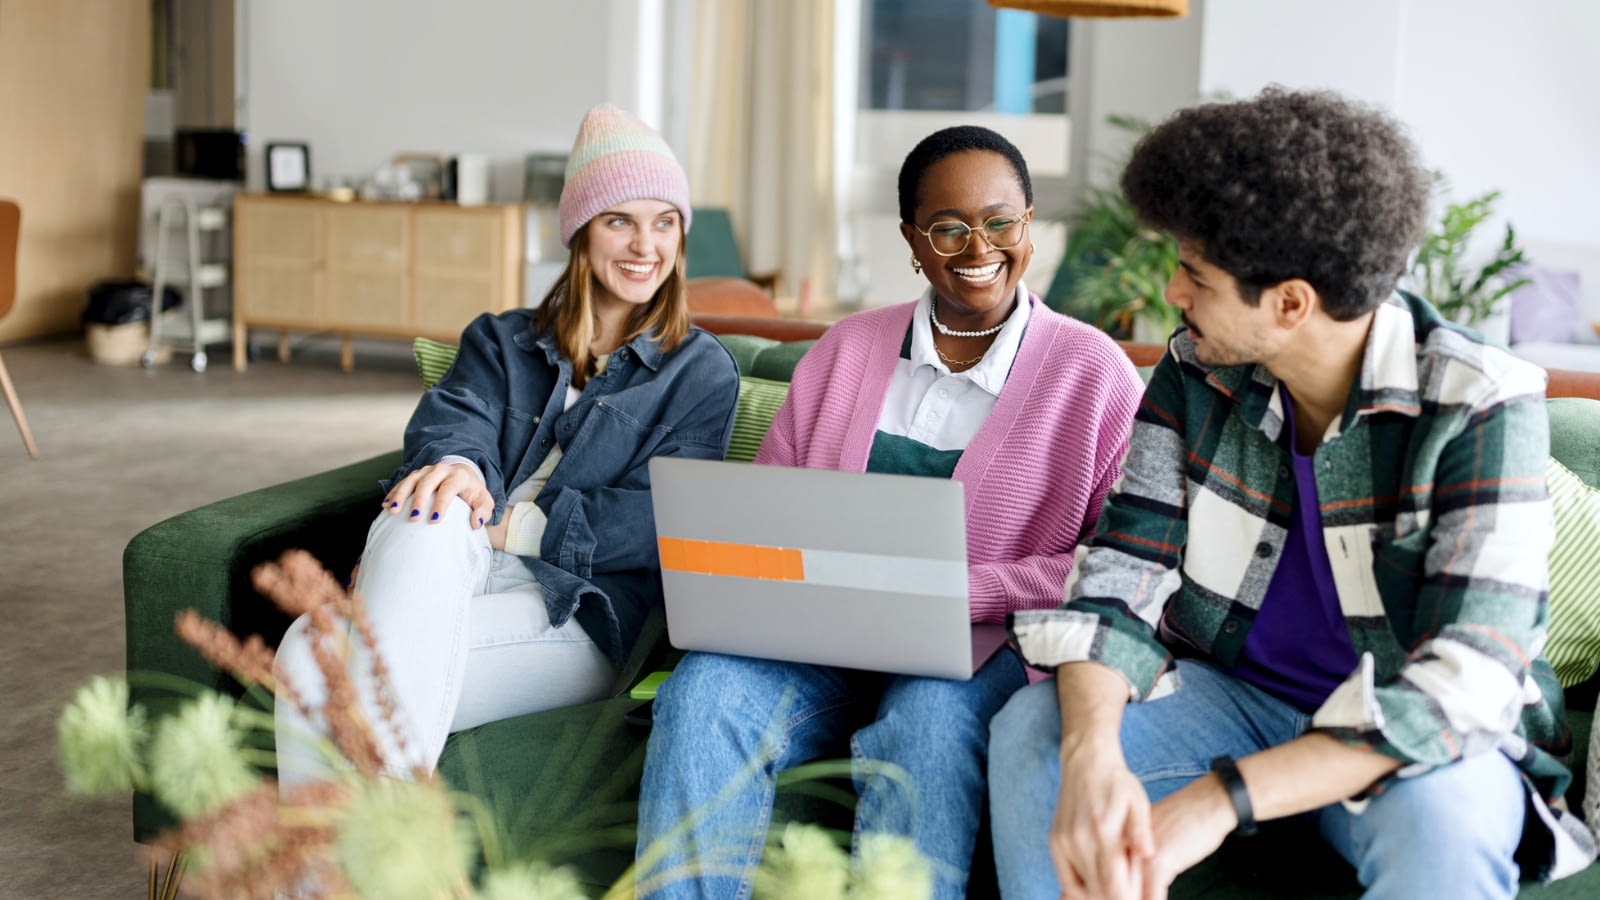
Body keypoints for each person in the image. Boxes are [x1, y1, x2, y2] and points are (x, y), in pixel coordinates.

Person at [989, 87, 1598, 899]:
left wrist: (1221, 799)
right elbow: (1120, 569)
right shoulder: (1195, 369)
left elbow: (1467, 681)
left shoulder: (1479, 401)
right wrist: (1091, 753)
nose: (1173, 292)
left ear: (1289, 304)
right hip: (1234, 697)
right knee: (1037, 729)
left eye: (1194, 275)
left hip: (1402, 734)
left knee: (1444, 822)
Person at [633, 125, 1146, 899]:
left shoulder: (1094, 373)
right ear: (912, 240)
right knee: (703, 690)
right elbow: (768, 511)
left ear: (1029, 225)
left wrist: (956, 592)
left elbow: (1116, 560)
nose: (979, 245)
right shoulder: (845, 350)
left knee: (929, 727)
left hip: (978, 650)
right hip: (817, 640)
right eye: (947, 227)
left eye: (1002, 221)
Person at [272, 104, 741, 791]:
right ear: (581, 231)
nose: (646, 246)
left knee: (307, 666)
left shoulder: (699, 372)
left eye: (663, 222)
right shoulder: (501, 340)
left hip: (579, 604)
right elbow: (454, 419)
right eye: (621, 221)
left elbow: (662, 520)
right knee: (431, 503)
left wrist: (518, 528)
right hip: (452, 559)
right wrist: (457, 471)